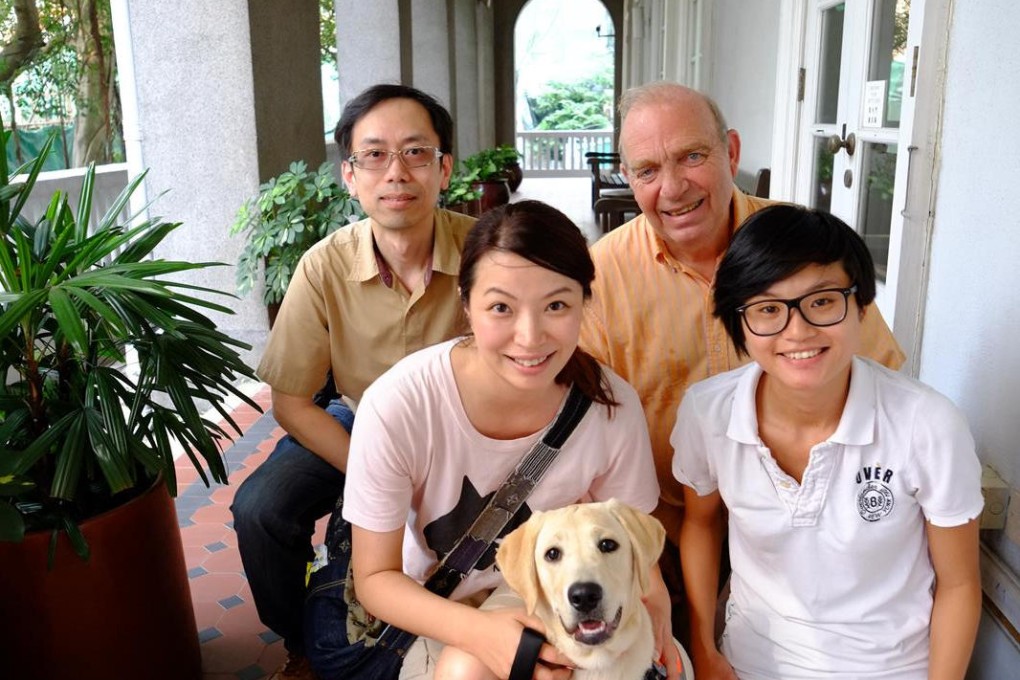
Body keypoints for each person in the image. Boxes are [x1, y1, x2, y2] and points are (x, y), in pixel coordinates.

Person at [343, 200, 682, 680]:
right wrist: (484, 635)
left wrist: (656, 601)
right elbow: (375, 579)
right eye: (501, 307)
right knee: (466, 669)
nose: (530, 337)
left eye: (557, 305)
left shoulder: (610, 407)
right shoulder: (401, 405)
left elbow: (631, 541)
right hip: (436, 608)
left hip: (560, 599)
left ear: (586, 302)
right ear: (465, 304)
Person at [579, 80, 905, 550]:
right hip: (665, 534)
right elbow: (586, 425)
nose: (672, 188)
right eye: (648, 170)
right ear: (628, 179)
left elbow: (880, 378)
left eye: (692, 156)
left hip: (814, 530)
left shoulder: (805, 246)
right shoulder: (601, 274)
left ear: (730, 152)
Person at [673, 204, 982, 680]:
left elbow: (960, 584)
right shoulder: (708, 413)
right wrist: (704, 650)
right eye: (768, 309)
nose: (797, 331)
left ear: (860, 305)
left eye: (821, 301)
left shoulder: (927, 424)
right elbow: (700, 525)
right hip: (749, 664)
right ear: (740, 323)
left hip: (892, 669)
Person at [231, 84, 476, 680]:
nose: (396, 173)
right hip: (359, 420)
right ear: (349, 175)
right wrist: (373, 465)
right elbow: (291, 400)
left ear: (444, 169)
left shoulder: (484, 249)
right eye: (375, 155)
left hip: (466, 426)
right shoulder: (324, 265)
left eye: (416, 153)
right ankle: (301, 643)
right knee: (259, 509)